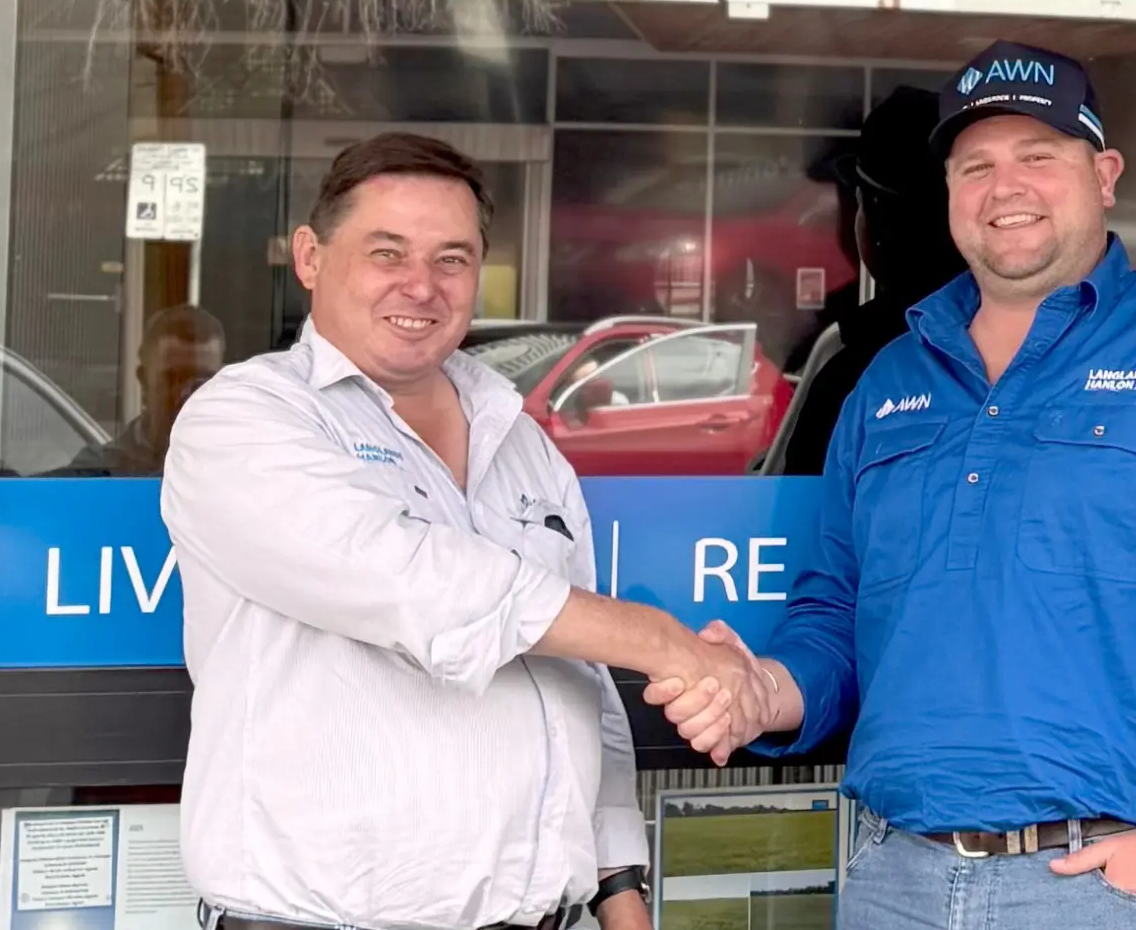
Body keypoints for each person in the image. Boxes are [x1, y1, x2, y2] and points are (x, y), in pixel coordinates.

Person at [651, 40, 1136, 929]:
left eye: (1038, 156)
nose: (1005, 187)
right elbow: (836, 615)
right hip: (893, 876)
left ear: (1103, 175)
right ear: (948, 196)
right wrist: (763, 691)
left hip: (1110, 879)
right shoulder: (887, 382)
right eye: (975, 165)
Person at [158, 132, 763, 930]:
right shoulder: (245, 418)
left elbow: (579, 677)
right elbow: (417, 583)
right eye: (386, 252)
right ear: (310, 257)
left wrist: (619, 887)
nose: (421, 285)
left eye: (452, 258)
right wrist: (660, 641)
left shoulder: (520, 438)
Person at [774, 85, 968, 476]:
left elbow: (792, 525)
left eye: (856, 204)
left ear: (875, 221)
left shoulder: (857, 374)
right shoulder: (1039, 347)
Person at [59, 303, 225, 476]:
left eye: (202, 382)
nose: (186, 394)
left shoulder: (240, 461)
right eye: (174, 379)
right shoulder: (99, 473)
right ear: (144, 382)